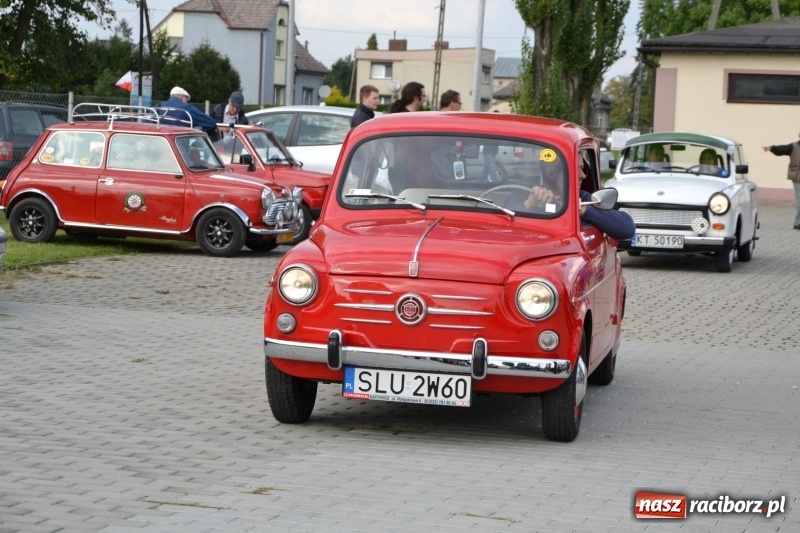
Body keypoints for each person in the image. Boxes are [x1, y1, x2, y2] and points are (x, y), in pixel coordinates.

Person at [510, 156, 635, 240]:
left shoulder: (582, 198)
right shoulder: (520, 196)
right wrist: (528, 205)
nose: (583, 175)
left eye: (582, 168)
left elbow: (627, 228)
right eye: (577, 169)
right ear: (551, 173)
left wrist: (583, 209)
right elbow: (504, 232)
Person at [763, 133, 800, 229]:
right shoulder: (794, 146)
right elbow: (782, 149)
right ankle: (798, 223)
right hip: (798, 177)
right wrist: (772, 148)